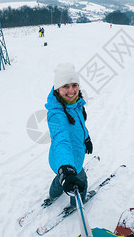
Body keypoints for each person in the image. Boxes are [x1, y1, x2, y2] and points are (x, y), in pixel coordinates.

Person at [45, 62, 93, 207]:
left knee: (60, 178)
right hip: (66, 160)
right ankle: (76, 203)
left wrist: (86, 138)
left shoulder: (76, 104)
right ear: (57, 89)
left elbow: (80, 125)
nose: (71, 90)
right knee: (81, 180)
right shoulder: (57, 115)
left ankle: (54, 193)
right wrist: (66, 169)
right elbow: (61, 140)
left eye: (74, 85)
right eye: (65, 86)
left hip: (64, 160)